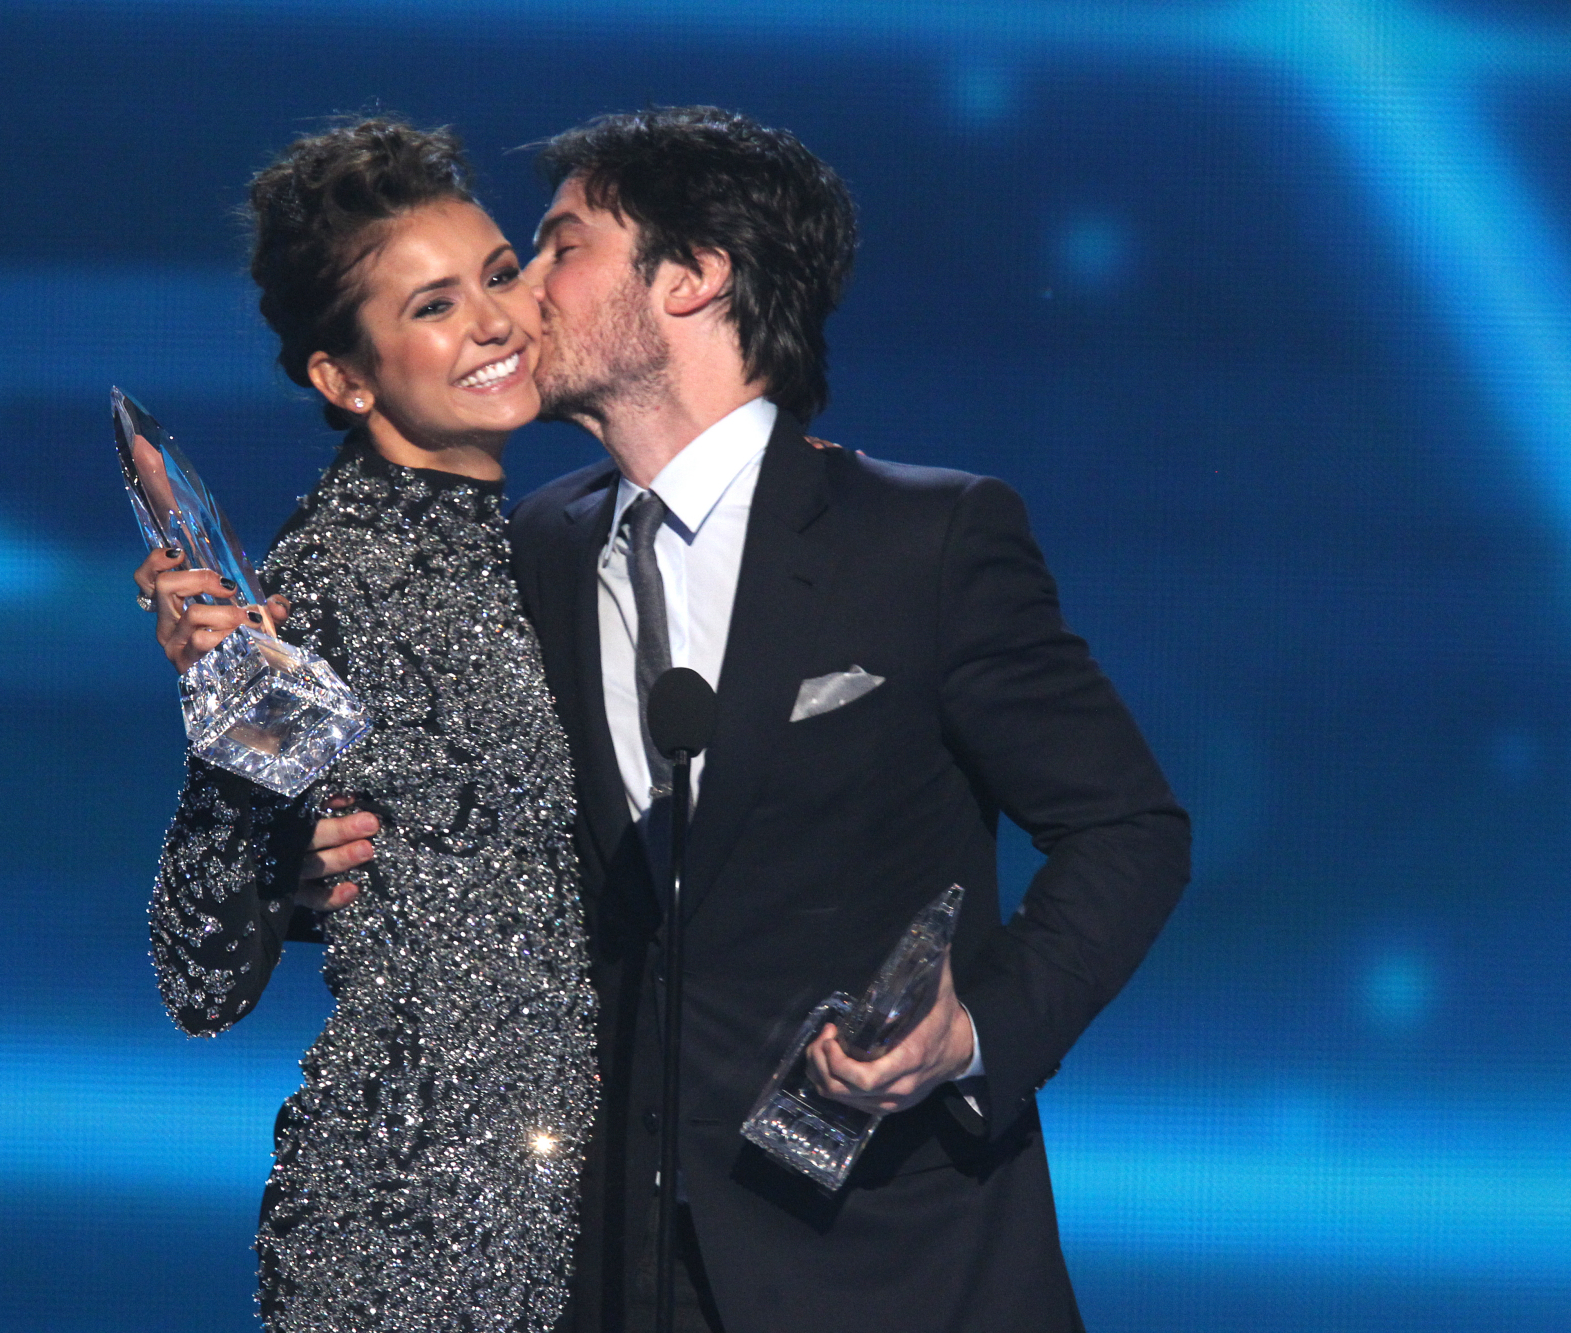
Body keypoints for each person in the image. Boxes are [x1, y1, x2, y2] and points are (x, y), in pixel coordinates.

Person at [501, 107, 1192, 1331]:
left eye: (563, 244)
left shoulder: (921, 541)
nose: (522, 281)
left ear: (695, 274)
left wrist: (973, 1029)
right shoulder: (541, 549)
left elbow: (1127, 828)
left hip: (888, 1266)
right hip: (615, 1275)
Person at [133, 118, 597, 1333]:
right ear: (346, 378)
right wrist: (238, 744)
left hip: (608, 1205)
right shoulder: (327, 580)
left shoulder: (580, 539)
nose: (495, 321)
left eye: (500, 275)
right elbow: (198, 976)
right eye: (435, 306)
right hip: (417, 1229)